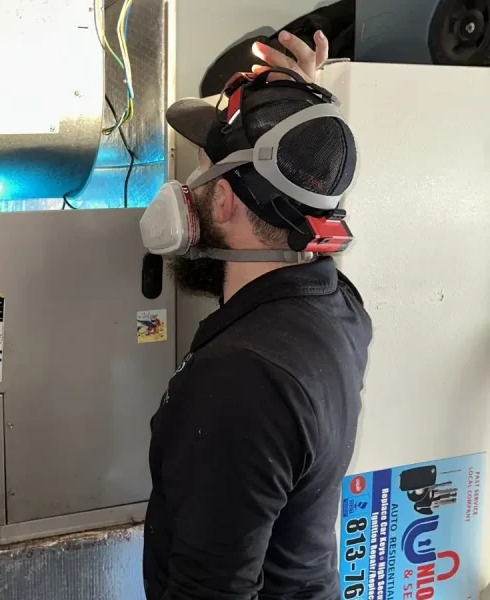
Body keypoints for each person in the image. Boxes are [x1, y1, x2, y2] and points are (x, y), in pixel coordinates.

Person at [142, 31, 373, 600]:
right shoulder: (337, 305)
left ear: (221, 201)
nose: (185, 189)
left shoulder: (241, 378)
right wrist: (308, 115)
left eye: (201, 169)